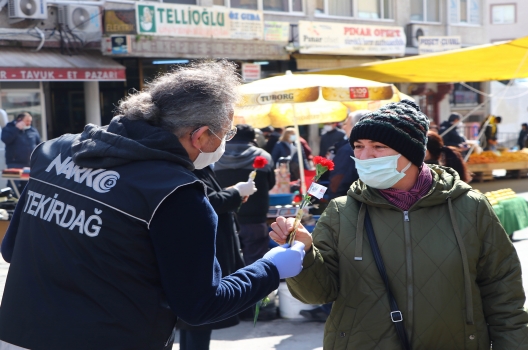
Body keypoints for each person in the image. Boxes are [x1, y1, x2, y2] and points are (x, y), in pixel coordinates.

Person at [0, 61, 306, 350]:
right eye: (226, 133)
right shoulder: (177, 193)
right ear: (199, 135)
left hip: (16, 333)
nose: (226, 141)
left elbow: (11, 248)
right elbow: (200, 305)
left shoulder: (56, 150)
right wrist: (271, 267)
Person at [271, 100, 528, 349]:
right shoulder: (342, 211)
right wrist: (304, 254)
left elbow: (504, 296)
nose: (365, 155)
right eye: (359, 146)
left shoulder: (470, 207)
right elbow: (317, 294)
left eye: (378, 146)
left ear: (411, 153)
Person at [178, 163, 255, 350]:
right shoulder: (187, 167)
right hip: (199, 249)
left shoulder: (200, 166)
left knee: (194, 320)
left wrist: (231, 192)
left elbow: (209, 195)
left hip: (206, 246)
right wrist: (235, 192)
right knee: (199, 316)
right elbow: (206, 201)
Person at [214, 124, 276, 265]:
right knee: (256, 260)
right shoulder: (263, 156)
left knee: (226, 262)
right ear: (253, 137)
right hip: (255, 217)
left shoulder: (215, 156)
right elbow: (271, 184)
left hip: (223, 216)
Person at [326, 110, 368, 200]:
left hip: (347, 202)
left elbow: (337, 182)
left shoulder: (348, 150)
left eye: (346, 124)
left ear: (356, 126)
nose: (343, 127)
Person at [1, 112, 41, 194]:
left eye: (30, 121)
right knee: (13, 187)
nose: (29, 123)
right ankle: (13, 205)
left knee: (27, 188)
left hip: (29, 164)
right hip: (14, 164)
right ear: (19, 120)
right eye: (27, 121)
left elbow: (39, 145)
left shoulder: (32, 130)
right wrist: (16, 129)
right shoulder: (9, 128)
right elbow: (5, 139)